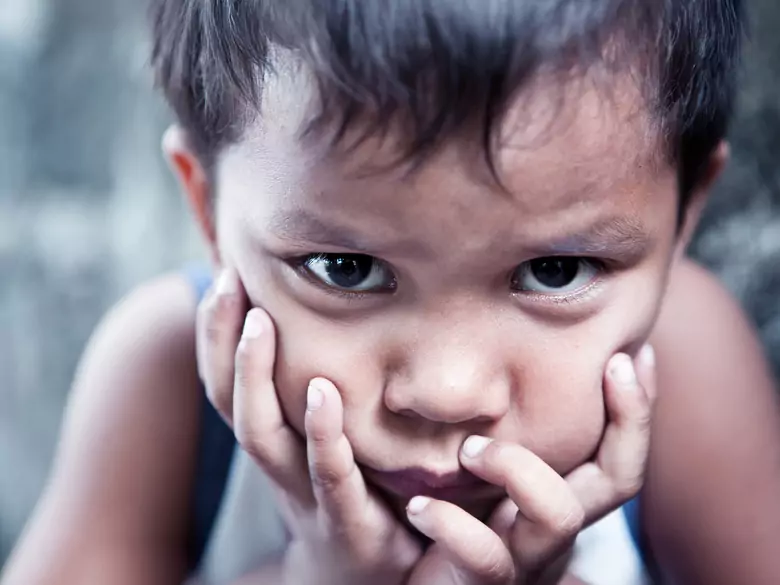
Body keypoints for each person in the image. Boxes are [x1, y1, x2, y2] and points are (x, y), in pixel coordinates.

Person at [4, 0, 780, 583]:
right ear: (207, 209)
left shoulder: (689, 361)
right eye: (345, 268)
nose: (446, 391)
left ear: (684, 215)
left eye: (555, 271)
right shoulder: (164, 372)